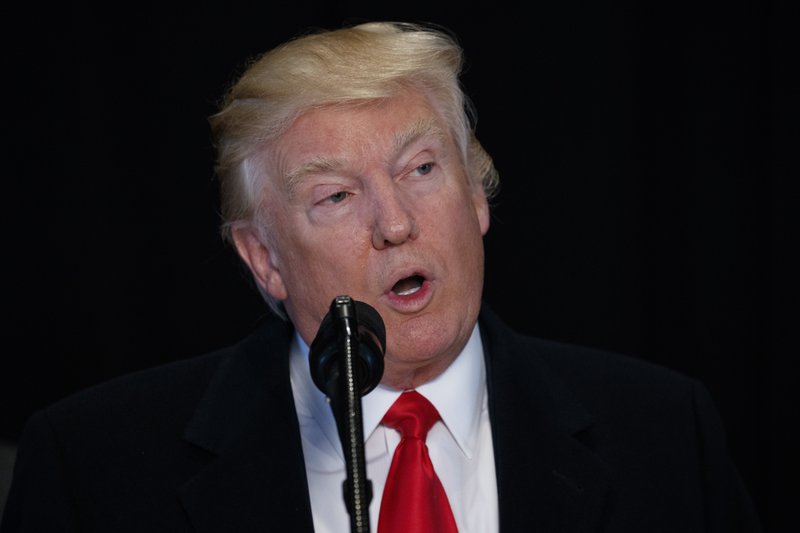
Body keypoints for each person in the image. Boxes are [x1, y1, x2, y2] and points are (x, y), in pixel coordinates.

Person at [1, 21, 762, 533]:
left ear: (475, 196)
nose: (395, 223)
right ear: (263, 258)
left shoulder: (665, 437)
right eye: (335, 195)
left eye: (422, 169)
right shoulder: (93, 469)